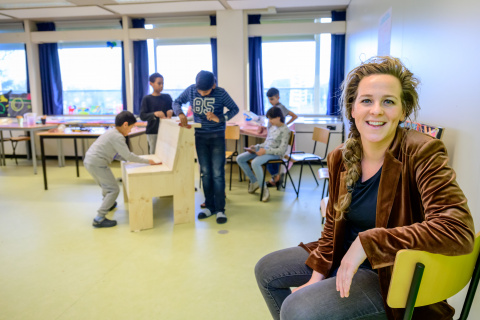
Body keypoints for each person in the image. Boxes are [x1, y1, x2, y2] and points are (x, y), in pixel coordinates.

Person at [254, 56, 475, 319]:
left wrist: (368, 242)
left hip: (389, 273)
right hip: (341, 254)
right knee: (266, 270)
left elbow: (457, 231)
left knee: (298, 308)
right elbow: (332, 224)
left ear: (403, 111)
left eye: (389, 101)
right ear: (353, 109)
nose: (377, 110)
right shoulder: (340, 156)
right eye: (367, 100)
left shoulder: (422, 151)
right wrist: (318, 274)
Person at [174, 70, 239, 224]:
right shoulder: (191, 90)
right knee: (205, 173)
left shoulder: (221, 93)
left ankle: (220, 209)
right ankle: (209, 206)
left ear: (214, 85)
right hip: (200, 137)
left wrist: (220, 118)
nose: (202, 94)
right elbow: (176, 102)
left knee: (217, 173)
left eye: (206, 91)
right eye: (200, 91)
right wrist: (180, 113)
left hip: (217, 137)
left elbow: (234, 109)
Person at [84, 111, 161, 228]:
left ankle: (108, 204)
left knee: (106, 186)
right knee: (113, 189)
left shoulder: (112, 132)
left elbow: (115, 154)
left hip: (90, 161)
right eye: (131, 127)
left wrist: (126, 159)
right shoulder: (118, 137)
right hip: (98, 163)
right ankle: (99, 218)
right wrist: (148, 161)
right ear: (125, 124)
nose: (131, 130)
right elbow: (128, 155)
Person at [236, 106, 291, 202]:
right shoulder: (273, 127)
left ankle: (263, 189)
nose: (270, 121)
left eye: (271, 118)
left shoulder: (285, 130)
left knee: (255, 163)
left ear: (278, 117)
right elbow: (266, 143)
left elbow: (282, 150)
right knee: (239, 158)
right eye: (269, 119)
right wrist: (255, 147)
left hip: (274, 154)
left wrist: (265, 151)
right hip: (265, 150)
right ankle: (254, 181)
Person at [263, 87, 298, 188]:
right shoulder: (274, 107)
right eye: (269, 99)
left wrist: (285, 124)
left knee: (270, 157)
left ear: (278, 97)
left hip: (277, 138)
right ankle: (275, 178)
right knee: (269, 156)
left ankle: (276, 178)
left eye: (272, 99)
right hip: (272, 136)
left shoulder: (281, 107)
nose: (270, 101)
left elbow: (294, 116)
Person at [139, 73, 173, 154]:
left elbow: (175, 112)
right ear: (151, 83)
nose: (161, 86)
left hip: (167, 131)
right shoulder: (147, 99)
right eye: (159, 83)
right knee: (154, 154)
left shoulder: (167, 97)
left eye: (162, 83)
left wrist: (172, 111)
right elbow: (142, 116)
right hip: (153, 132)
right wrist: (154, 114)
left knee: (167, 154)